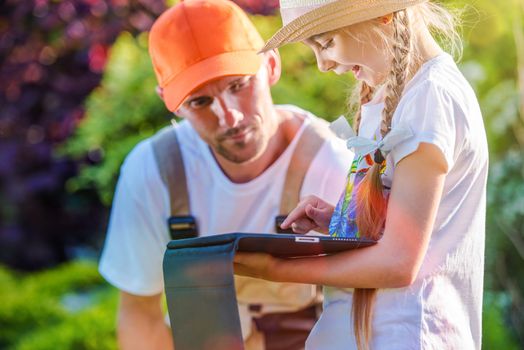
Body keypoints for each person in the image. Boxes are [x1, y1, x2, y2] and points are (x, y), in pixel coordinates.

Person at [97, 0, 352, 349]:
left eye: (237, 86)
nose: (229, 117)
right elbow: (139, 311)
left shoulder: (328, 162)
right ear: (171, 103)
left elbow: (368, 306)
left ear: (271, 66)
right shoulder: (153, 170)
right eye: (199, 102)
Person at [234, 0, 488, 349]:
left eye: (325, 43)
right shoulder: (394, 97)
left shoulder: (431, 97)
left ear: (381, 13)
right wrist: (343, 220)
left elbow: (399, 262)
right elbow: (401, 226)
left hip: (409, 335)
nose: (323, 65)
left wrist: (274, 269)